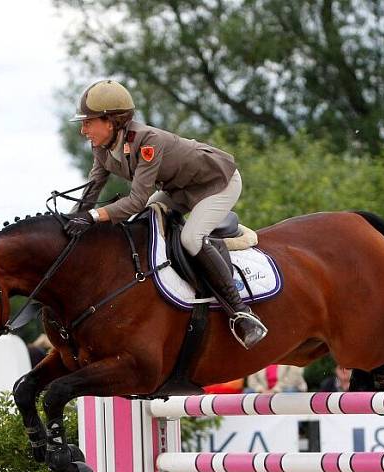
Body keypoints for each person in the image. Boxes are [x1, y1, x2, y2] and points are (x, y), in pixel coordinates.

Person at [67, 79, 267, 350]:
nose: (83, 130)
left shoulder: (147, 141)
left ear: (110, 121)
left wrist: (92, 217)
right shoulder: (101, 148)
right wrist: (67, 222)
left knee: (191, 238)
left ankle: (242, 314)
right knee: (145, 221)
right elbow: (91, 191)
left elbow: (136, 199)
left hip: (218, 183)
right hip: (179, 189)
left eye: (88, 122)